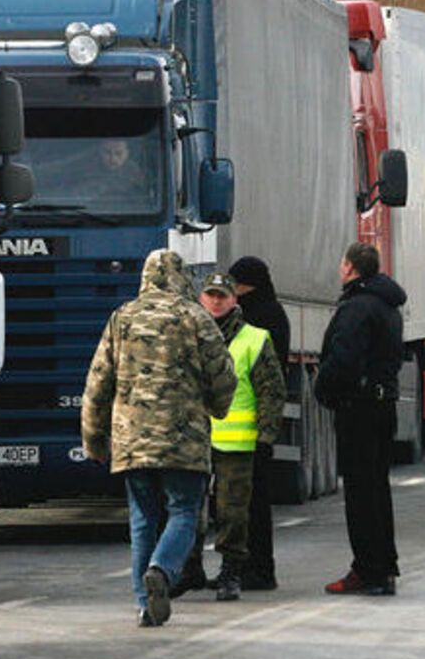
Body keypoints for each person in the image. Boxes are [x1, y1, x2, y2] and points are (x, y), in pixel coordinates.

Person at [80, 249, 237, 628]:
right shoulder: (196, 318)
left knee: (142, 519)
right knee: (184, 512)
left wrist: (94, 441)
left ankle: (145, 605)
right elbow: (223, 376)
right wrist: (218, 407)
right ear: (183, 279)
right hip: (183, 438)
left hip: (131, 440)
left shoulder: (122, 318)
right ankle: (163, 571)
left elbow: (98, 384)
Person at [176, 272, 286, 602]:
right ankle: (190, 567)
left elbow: (272, 391)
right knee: (189, 508)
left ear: (234, 300)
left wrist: (265, 436)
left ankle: (231, 570)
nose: (216, 301)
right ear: (201, 299)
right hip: (195, 439)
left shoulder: (255, 338)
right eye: (211, 295)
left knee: (232, 512)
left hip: (238, 442)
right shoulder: (187, 337)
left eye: (222, 295)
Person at [315, 242, 407, 596]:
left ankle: (368, 570)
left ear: (351, 268)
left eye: (342, 264)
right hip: (383, 405)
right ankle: (384, 568)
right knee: (377, 490)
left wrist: (325, 390)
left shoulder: (356, 308)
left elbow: (344, 360)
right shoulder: (388, 306)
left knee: (360, 493)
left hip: (360, 408)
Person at [229, 255, 291, 590]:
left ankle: (258, 568)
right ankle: (250, 566)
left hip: (250, 423)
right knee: (248, 501)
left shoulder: (256, 318)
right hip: (253, 423)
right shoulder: (273, 313)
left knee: (251, 502)